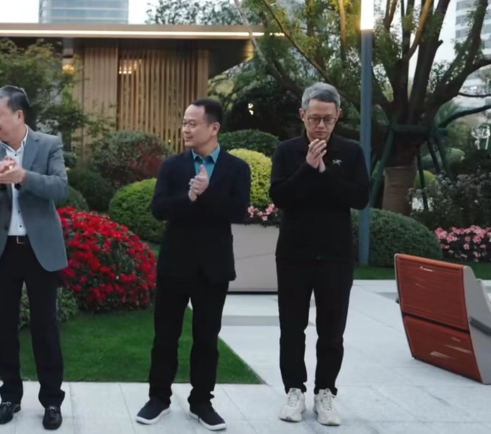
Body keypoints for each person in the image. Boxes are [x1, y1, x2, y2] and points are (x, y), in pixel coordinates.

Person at [135, 99, 250, 432]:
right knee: (165, 337)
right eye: (184, 122)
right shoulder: (173, 166)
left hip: (214, 267)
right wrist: (188, 198)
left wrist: (207, 193)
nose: (185, 129)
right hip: (175, 264)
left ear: (213, 128)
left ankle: (202, 402)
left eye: (192, 123)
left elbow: (239, 212)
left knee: (207, 339)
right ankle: (158, 398)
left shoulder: (236, 168)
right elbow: (159, 209)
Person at [0, 86, 68, 431]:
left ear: (19, 115)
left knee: (45, 327)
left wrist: (24, 177)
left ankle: (51, 401)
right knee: (5, 327)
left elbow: (61, 189)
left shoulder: (48, 145)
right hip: (3, 250)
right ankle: (10, 396)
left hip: (40, 251)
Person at [270, 82, 369, 427]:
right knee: (291, 327)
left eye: (328, 119)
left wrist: (325, 172)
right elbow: (280, 196)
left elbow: (359, 197)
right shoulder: (287, 151)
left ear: (338, 116)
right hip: (294, 253)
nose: (321, 125)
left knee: (332, 329)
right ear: (302, 115)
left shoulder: (351, 152)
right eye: (314, 118)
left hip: (335, 254)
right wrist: (307, 168)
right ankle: (294, 390)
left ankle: (325, 391)